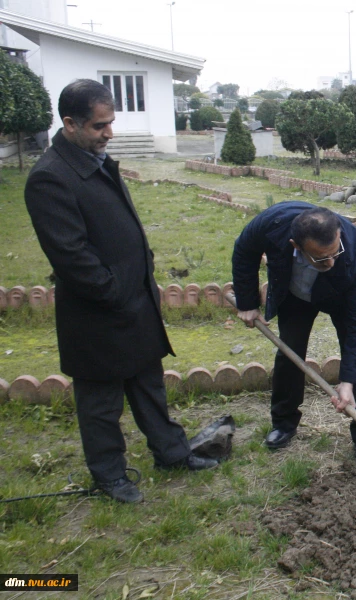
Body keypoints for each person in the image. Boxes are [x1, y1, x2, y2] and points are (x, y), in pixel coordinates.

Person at [24, 79, 218, 504]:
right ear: (70, 123)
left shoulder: (96, 160)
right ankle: (110, 475)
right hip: (96, 311)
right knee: (100, 401)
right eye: (99, 126)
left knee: (149, 384)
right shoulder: (50, 178)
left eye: (111, 123)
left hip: (134, 301)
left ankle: (171, 453)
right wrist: (113, 292)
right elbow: (71, 255)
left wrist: (139, 279)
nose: (109, 133)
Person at [231, 203, 356, 469]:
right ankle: (283, 422)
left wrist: (347, 381)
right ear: (296, 246)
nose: (331, 261)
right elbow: (245, 250)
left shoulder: (355, 253)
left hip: (342, 296)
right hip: (295, 294)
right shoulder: (273, 224)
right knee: (290, 352)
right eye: (322, 258)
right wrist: (247, 301)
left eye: (335, 252)